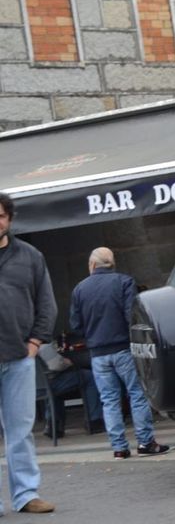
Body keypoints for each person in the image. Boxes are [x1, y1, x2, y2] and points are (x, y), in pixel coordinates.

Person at [70, 247, 169, 459]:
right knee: (137, 394)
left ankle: (119, 448)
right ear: (111, 264)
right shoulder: (124, 282)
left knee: (109, 400)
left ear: (92, 265)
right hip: (123, 348)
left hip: (97, 353)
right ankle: (145, 443)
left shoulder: (79, 289)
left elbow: (75, 325)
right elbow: (130, 317)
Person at [0, 192, 57, 514]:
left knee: (20, 432)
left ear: (9, 219)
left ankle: (25, 495)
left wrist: (35, 343)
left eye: (0, 216)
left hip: (19, 358)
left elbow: (46, 303)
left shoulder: (30, 256)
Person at [37, 342, 104, 437]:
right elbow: (56, 365)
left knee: (53, 390)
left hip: (34, 388)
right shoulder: (42, 346)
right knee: (89, 376)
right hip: (51, 384)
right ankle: (94, 420)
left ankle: (53, 425)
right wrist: (67, 362)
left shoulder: (19, 347)